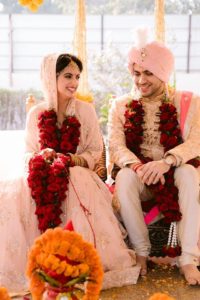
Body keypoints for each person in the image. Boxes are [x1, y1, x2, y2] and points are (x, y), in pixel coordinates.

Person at [0, 53, 140, 292]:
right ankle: (39, 262)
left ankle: (72, 262)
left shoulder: (85, 111)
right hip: (42, 173)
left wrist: (70, 159)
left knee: (74, 180)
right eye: (67, 76)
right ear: (50, 78)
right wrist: (41, 157)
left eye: (77, 76)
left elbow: (95, 150)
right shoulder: (36, 113)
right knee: (9, 193)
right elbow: (26, 153)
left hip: (77, 172)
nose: (74, 82)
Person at [108, 33, 200, 285]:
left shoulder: (189, 102)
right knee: (125, 176)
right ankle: (141, 252)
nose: (140, 80)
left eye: (148, 73)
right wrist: (138, 166)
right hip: (141, 176)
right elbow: (115, 145)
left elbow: (196, 142)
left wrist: (167, 161)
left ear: (163, 72)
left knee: (190, 174)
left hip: (174, 170)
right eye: (136, 73)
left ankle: (189, 258)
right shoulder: (122, 105)